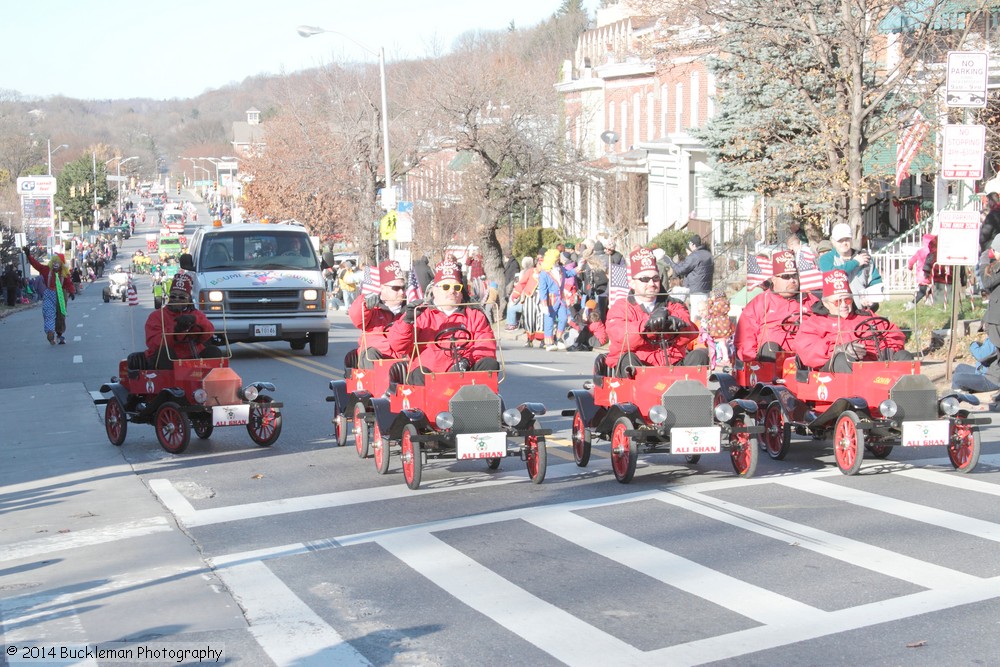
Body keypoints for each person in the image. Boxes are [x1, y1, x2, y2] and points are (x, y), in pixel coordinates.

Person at [388, 260, 499, 383]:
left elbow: (486, 347)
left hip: (464, 377)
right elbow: (398, 346)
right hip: (429, 377)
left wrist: (467, 361)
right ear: (435, 290)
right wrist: (407, 321)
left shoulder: (475, 315)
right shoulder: (419, 313)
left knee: (489, 364)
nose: (452, 291)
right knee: (419, 372)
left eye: (457, 287)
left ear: (461, 292)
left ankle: (477, 401)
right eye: (446, 287)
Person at [605, 248, 707, 375]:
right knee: (628, 360)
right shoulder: (621, 308)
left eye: (655, 278)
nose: (651, 283)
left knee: (700, 355)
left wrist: (674, 325)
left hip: (673, 368)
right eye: (644, 279)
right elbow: (620, 337)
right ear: (632, 282)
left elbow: (692, 332)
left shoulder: (674, 305)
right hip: (641, 369)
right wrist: (648, 326)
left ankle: (689, 394)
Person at [793, 270, 910, 372]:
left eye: (847, 300)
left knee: (904, 357)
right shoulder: (814, 322)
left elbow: (894, 333)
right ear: (825, 303)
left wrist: (888, 349)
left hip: (873, 366)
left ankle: (906, 396)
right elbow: (807, 350)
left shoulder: (867, 316)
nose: (844, 305)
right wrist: (838, 349)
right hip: (836, 371)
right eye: (838, 302)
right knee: (842, 359)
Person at [735, 250, 818, 362]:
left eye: (794, 276)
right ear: (774, 279)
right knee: (770, 347)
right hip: (769, 358)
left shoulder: (811, 301)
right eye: (786, 277)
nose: (792, 280)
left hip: (804, 357)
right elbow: (745, 335)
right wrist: (752, 361)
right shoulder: (761, 301)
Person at [144, 273, 221, 369]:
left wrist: (196, 321)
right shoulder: (156, 316)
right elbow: (153, 343)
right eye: (173, 296)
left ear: (188, 298)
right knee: (164, 353)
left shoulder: (196, 314)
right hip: (168, 357)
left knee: (213, 351)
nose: (176, 300)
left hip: (193, 354)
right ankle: (169, 383)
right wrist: (175, 332)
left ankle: (215, 381)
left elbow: (209, 332)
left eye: (181, 297)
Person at [348, 260, 408, 367]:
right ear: (382, 288)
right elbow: (356, 318)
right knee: (370, 353)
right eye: (396, 288)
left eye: (403, 288)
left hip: (403, 361)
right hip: (376, 360)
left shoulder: (410, 310)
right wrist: (364, 302)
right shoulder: (373, 308)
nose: (401, 292)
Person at [818, 223, 883, 309]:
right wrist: (855, 262)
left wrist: (871, 299)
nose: (844, 243)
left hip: (862, 310)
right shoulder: (825, 259)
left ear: (851, 239)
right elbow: (834, 274)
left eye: (847, 239)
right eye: (840, 240)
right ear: (833, 241)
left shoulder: (865, 257)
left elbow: (875, 281)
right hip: (837, 312)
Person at [24, 247, 75, 345]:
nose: (55, 265)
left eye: (58, 263)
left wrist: (72, 291)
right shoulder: (47, 270)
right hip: (49, 293)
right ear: (52, 262)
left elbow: (69, 283)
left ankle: (59, 334)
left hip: (61, 294)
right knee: (48, 313)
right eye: (54, 262)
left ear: (61, 264)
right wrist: (28, 255)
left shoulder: (64, 273)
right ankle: (50, 332)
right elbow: (36, 265)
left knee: (61, 316)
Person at [663, 233, 714, 321]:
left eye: (690, 244)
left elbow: (681, 270)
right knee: (705, 313)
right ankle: (705, 332)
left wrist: (671, 263)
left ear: (693, 244)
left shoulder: (694, 256)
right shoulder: (709, 255)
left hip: (696, 289)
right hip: (706, 289)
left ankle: (698, 333)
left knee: (697, 313)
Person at [537, 248, 574, 351]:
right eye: (557, 259)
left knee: (563, 318)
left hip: (561, 299)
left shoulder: (561, 269)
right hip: (550, 300)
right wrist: (544, 304)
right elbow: (543, 290)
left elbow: (569, 274)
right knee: (549, 321)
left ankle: (558, 338)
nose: (559, 260)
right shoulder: (544, 273)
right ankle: (549, 343)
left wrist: (579, 267)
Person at [952, 328, 1000, 395]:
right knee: (960, 367)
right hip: (986, 373)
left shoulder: (995, 339)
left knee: (957, 379)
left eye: (985, 325)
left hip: (992, 380)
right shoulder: (995, 336)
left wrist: (973, 344)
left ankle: (954, 402)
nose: (984, 328)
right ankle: (968, 389)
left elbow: (980, 355)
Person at [510, 256, 545, 347]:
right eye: (539, 263)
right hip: (530, 297)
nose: (540, 265)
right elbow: (522, 283)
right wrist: (516, 294)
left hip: (542, 298)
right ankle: (529, 339)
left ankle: (542, 340)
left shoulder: (547, 273)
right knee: (529, 317)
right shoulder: (530, 272)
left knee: (541, 318)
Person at [905, 234, 937, 310]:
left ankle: (919, 302)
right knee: (929, 289)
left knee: (923, 290)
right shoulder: (934, 251)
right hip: (931, 274)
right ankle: (913, 304)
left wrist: (910, 267)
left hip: (921, 274)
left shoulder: (920, 251)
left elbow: (911, 261)